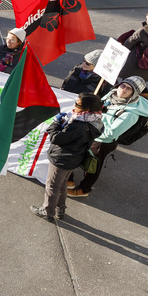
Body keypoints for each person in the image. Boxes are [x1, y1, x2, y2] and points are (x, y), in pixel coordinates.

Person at [67, 77, 148, 199]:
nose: (123, 90)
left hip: (103, 141)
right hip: (92, 132)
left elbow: (111, 133)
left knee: (93, 165)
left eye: (129, 89)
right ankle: (68, 179)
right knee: (74, 154)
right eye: (123, 86)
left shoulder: (131, 113)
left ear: (134, 94)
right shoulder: (112, 94)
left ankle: (84, 189)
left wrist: (89, 132)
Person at [30, 93, 104, 222]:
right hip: (75, 158)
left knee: (52, 185)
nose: (74, 106)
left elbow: (55, 138)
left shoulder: (78, 125)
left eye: (77, 104)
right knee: (62, 183)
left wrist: (56, 123)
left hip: (62, 159)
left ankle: (47, 211)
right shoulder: (94, 121)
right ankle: (60, 209)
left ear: (86, 110)